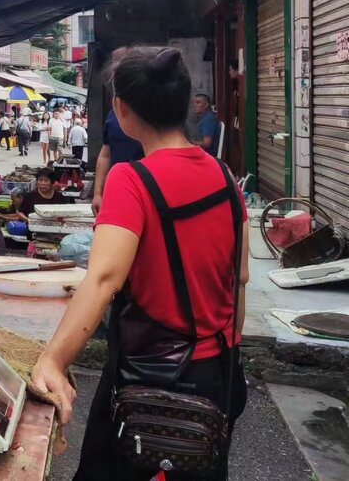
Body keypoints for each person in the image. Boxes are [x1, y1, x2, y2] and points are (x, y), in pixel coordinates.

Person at [31, 48, 248, 480]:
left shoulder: (132, 180)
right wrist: (225, 352)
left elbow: (103, 279)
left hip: (148, 375)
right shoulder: (226, 177)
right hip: (217, 376)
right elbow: (239, 278)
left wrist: (53, 360)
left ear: (121, 109)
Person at [91, 107, 145, 214]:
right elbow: (105, 155)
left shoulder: (152, 112)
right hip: (117, 190)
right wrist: (97, 194)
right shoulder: (113, 114)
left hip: (145, 191)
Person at [188, 92, 221, 157]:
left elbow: (207, 143)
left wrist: (189, 142)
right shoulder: (204, 118)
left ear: (206, 105)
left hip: (208, 155)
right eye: (193, 103)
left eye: (198, 102)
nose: (194, 105)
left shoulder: (208, 119)